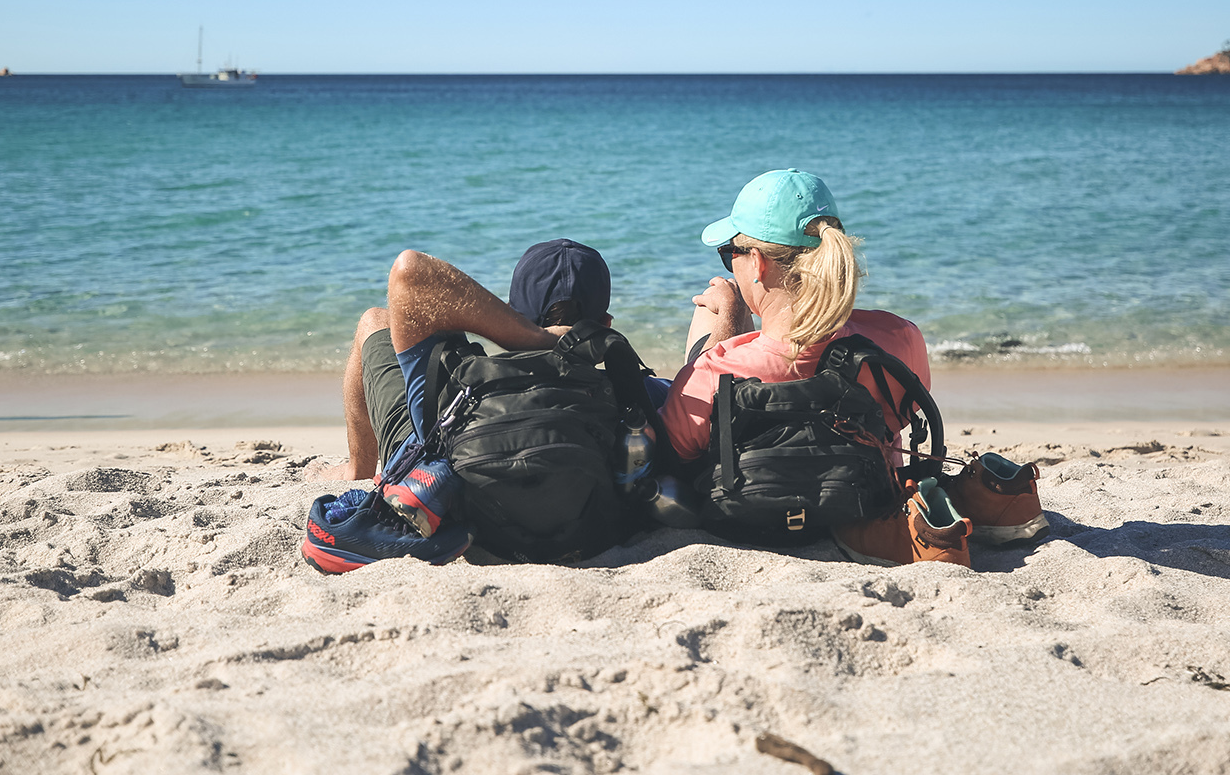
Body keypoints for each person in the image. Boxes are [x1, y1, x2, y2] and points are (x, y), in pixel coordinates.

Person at [658, 169, 970, 566]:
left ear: (756, 263)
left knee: (717, 306)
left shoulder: (715, 370)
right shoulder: (900, 341)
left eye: (729, 253)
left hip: (750, 516)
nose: (729, 262)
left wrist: (727, 318)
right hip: (863, 506)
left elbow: (674, 459)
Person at [307, 238, 613, 484]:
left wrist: (536, 338)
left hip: (447, 470)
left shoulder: (467, 395)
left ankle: (355, 471)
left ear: (511, 313)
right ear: (607, 324)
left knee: (374, 321)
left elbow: (410, 270)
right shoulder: (629, 396)